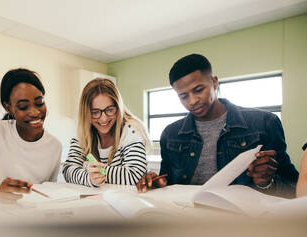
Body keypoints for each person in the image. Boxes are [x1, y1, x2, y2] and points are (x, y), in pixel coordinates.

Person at [137, 54, 299, 198]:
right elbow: (169, 183)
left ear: (214, 82)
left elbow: (293, 188)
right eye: (183, 96)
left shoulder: (265, 123)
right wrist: (156, 184)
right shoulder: (170, 134)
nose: (192, 101)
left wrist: (267, 182)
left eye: (199, 90)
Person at [0, 68, 62, 203]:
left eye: (40, 103)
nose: (34, 112)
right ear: (8, 108)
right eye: (23, 107)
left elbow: (49, 189)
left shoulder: (55, 146)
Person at [62, 78, 151, 187]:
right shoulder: (83, 131)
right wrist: (89, 178)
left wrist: (88, 168)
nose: (103, 119)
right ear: (86, 112)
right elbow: (68, 171)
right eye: (95, 112)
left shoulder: (131, 129)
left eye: (109, 110)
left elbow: (135, 174)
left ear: (118, 108)